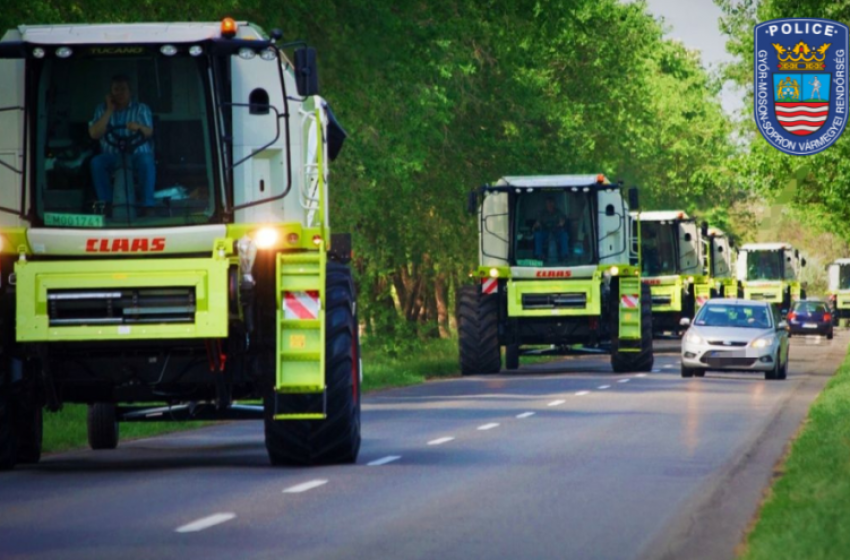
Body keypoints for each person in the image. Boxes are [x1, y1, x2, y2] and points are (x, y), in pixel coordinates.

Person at [88, 75, 155, 212]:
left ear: (130, 91)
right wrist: (109, 110)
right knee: (96, 162)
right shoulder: (101, 109)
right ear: (110, 92)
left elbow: (149, 132)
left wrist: (138, 127)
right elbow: (94, 134)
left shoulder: (141, 109)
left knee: (147, 161)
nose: (119, 93)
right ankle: (106, 205)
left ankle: (147, 205)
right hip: (111, 156)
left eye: (123, 89)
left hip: (137, 155)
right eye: (116, 89)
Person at [533, 196, 569, 262]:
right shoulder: (542, 213)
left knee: (564, 235)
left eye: (551, 203)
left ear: (554, 203)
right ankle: (539, 255)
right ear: (546, 204)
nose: (550, 205)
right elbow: (537, 223)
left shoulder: (558, 212)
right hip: (545, 232)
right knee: (537, 235)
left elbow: (562, 221)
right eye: (548, 203)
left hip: (556, 231)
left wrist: (561, 223)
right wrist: (536, 225)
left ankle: (564, 255)